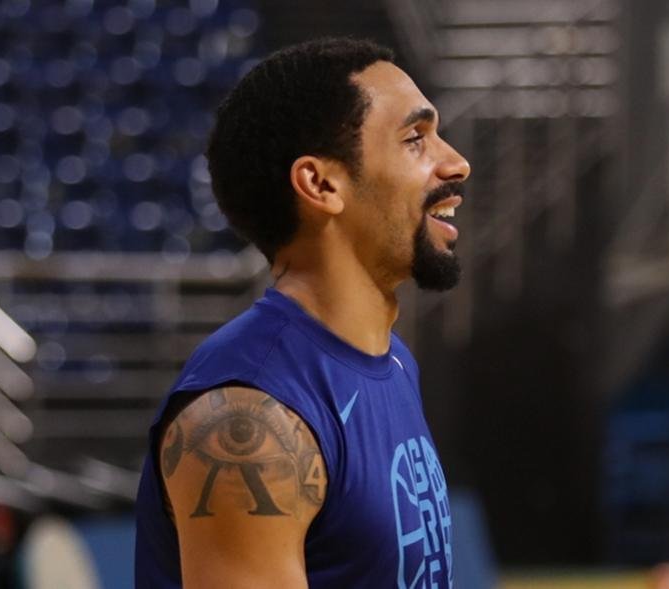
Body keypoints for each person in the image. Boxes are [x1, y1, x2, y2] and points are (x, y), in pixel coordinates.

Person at [134, 37, 471, 588]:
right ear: (320, 184)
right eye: (415, 139)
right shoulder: (251, 417)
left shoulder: (392, 362)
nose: (457, 163)